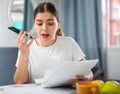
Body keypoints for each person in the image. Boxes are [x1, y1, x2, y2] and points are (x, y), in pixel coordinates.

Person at [14, 2, 93, 86]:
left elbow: (89, 74)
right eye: (39, 24)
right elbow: (19, 82)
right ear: (34, 24)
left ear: (58, 24)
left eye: (50, 23)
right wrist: (24, 56)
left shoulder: (69, 43)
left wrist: (86, 78)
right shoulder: (26, 47)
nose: (44, 28)